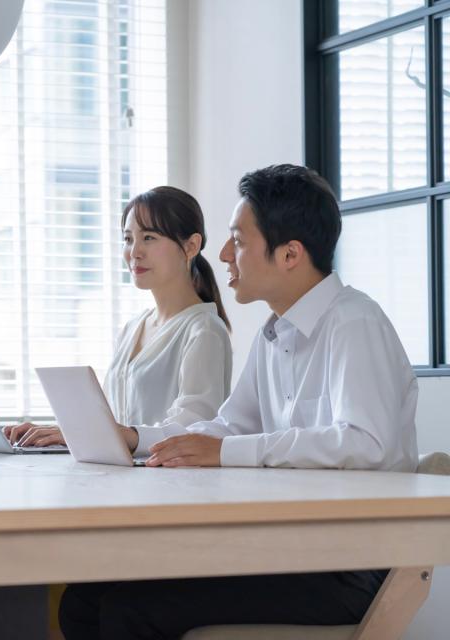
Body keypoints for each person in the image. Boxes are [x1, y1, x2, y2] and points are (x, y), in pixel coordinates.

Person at [59, 164, 419, 639]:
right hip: (291, 550)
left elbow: (364, 443)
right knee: (85, 599)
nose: (224, 254)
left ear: (290, 254)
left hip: (347, 567)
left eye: (238, 241)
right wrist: (139, 442)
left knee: (131, 608)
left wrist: (228, 451)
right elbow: (226, 426)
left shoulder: (354, 323)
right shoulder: (274, 334)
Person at [5, 186, 232, 449]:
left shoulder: (204, 330)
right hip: (122, 478)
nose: (134, 252)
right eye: (127, 239)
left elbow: (193, 427)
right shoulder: (133, 328)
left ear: (191, 246)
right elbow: (112, 423)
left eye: (148, 237)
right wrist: (62, 432)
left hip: (171, 483)